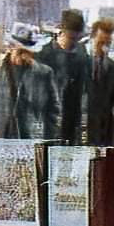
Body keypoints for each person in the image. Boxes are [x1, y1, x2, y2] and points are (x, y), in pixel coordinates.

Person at [34, 8, 92, 143]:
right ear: (62, 32)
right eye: (71, 38)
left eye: (77, 39)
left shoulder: (81, 55)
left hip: (71, 122)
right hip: (47, 121)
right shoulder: (43, 55)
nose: (74, 42)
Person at [1, 31, 58, 140]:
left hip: (32, 133)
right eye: (21, 51)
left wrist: (49, 135)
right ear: (12, 48)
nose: (24, 56)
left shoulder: (43, 72)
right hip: (2, 134)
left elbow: (53, 108)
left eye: (28, 52)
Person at [81, 17, 114, 146]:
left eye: (107, 43)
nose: (104, 47)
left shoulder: (113, 68)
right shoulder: (79, 62)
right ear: (92, 38)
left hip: (104, 130)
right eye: (100, 42)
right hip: (81, 125)